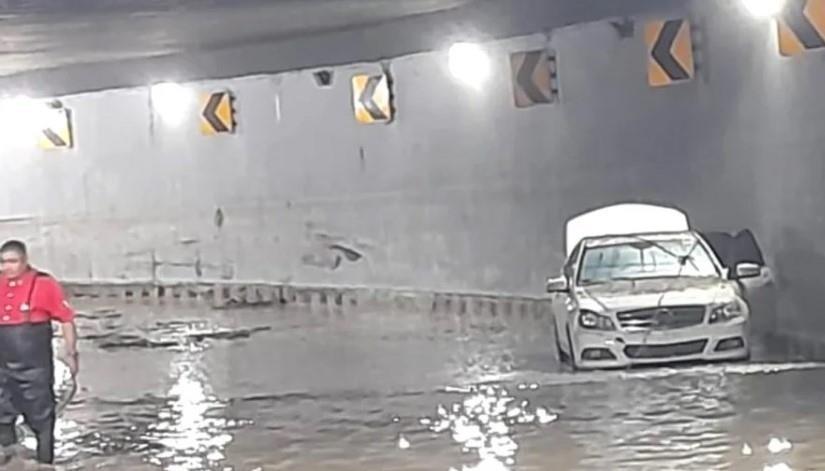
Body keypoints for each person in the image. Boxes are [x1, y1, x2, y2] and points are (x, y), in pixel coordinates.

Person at [0, 240, 78, 465]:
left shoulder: (43, 284)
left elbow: (66, 319)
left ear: (25, 261)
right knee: (2, 417)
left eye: (13, 262)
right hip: (2, 367)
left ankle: (45, 463)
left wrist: (70, 353)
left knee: (42, 421)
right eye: (3, 262)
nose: (7, 267)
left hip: (34, 369)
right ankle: (10, 461)